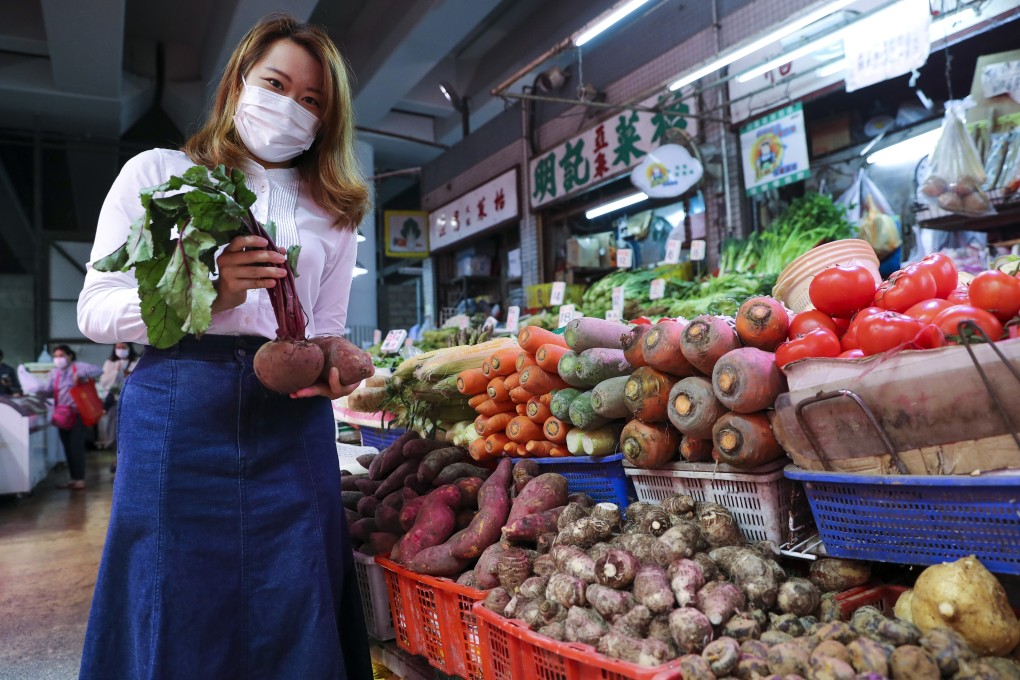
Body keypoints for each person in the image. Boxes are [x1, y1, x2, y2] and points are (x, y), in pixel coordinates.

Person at [76, 13, 371, 680]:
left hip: (290, 415)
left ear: (327, 120)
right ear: (239, 82)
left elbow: (325, 327)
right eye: (277, 83)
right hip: (181, 407)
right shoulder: (160, 174)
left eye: (312, 100)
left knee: (295, 591)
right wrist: (207, 295)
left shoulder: (335, 209)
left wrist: (335, 366)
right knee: (171, 588)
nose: (291, 107)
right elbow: (95, 309)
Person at [34, 345, 102, 490]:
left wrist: (82, 374)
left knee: (76, 446)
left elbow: (98, 369)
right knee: (67, 448)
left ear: (69, 356)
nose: (58, 359)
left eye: (61, 355)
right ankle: (74, 478)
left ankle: (80, 479)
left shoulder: (78, 367)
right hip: (62, 415)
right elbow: (49, 391)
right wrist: (35, 390)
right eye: (56, 356)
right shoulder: (54, 373)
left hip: (77, 413)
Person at [94, 342, 138, 465]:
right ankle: (117, 459)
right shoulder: (110, 363)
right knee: (114, 429)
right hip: (115, 400)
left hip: (132, 400)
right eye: (118, 347)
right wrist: (116, 372)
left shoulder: (137, 361)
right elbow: (104, 381)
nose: (121, 350)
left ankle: (127, 459)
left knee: (130, 430)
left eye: (124, 347)